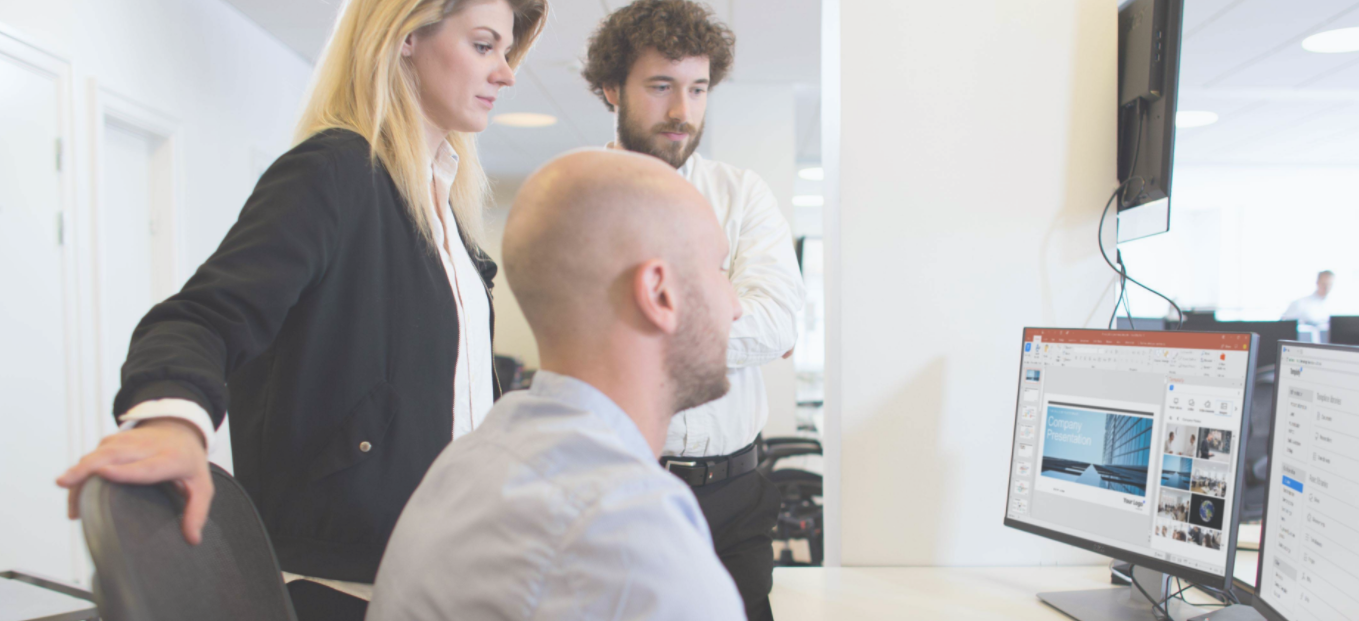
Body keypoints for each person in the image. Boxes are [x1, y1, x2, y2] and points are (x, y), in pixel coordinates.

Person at [52, 0, 548, 618]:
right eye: (482, 46)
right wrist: (173, 424)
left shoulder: (447, 212)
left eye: (506, 51)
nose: (505, 72)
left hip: (442, 571)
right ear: (404, 39)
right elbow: (197, 320)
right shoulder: (336, 170)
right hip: (342, 587)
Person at [367, 149, 747, 620]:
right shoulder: (633, 534)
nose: (737, 306)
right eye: (719, 270)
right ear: (658, 293)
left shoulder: (464, 465)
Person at [583, 2, 806, 619]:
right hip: (622, 492)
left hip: (736, 499)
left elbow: (781, 323)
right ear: (612, 88)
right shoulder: (577, 198)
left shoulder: (741, 194)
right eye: (660, 87)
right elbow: (585, 335)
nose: (683, 111)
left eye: (698, 89)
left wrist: (641, 315)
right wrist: (720, 299)